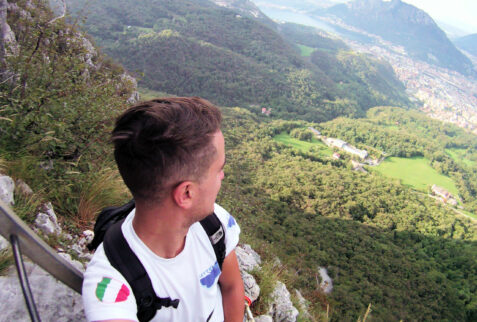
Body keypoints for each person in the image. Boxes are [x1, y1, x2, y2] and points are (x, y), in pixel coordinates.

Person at [82, 97, 244, 321]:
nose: (223, 176)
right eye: (219, 169)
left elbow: (232, 287)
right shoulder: (112, 281)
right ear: (186, 193)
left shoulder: (214, 224)